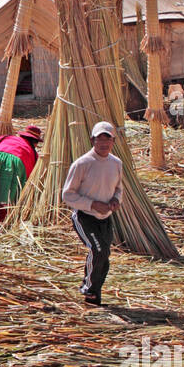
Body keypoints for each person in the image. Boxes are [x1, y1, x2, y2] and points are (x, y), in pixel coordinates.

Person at [62, 121, 124, 306]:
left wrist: (115, 201)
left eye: (108, 139)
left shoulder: (116, 163)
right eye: (100, 139)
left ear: (114, 141)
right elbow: (67, 194)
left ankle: (94, 295)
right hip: (84, 217)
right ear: (92, 140)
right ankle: (88, 288)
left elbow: (119, 189)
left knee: (104, 255)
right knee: (98, 250)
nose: (104, 143)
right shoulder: (82, 163)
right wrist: (92, 204)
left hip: (106, 218)